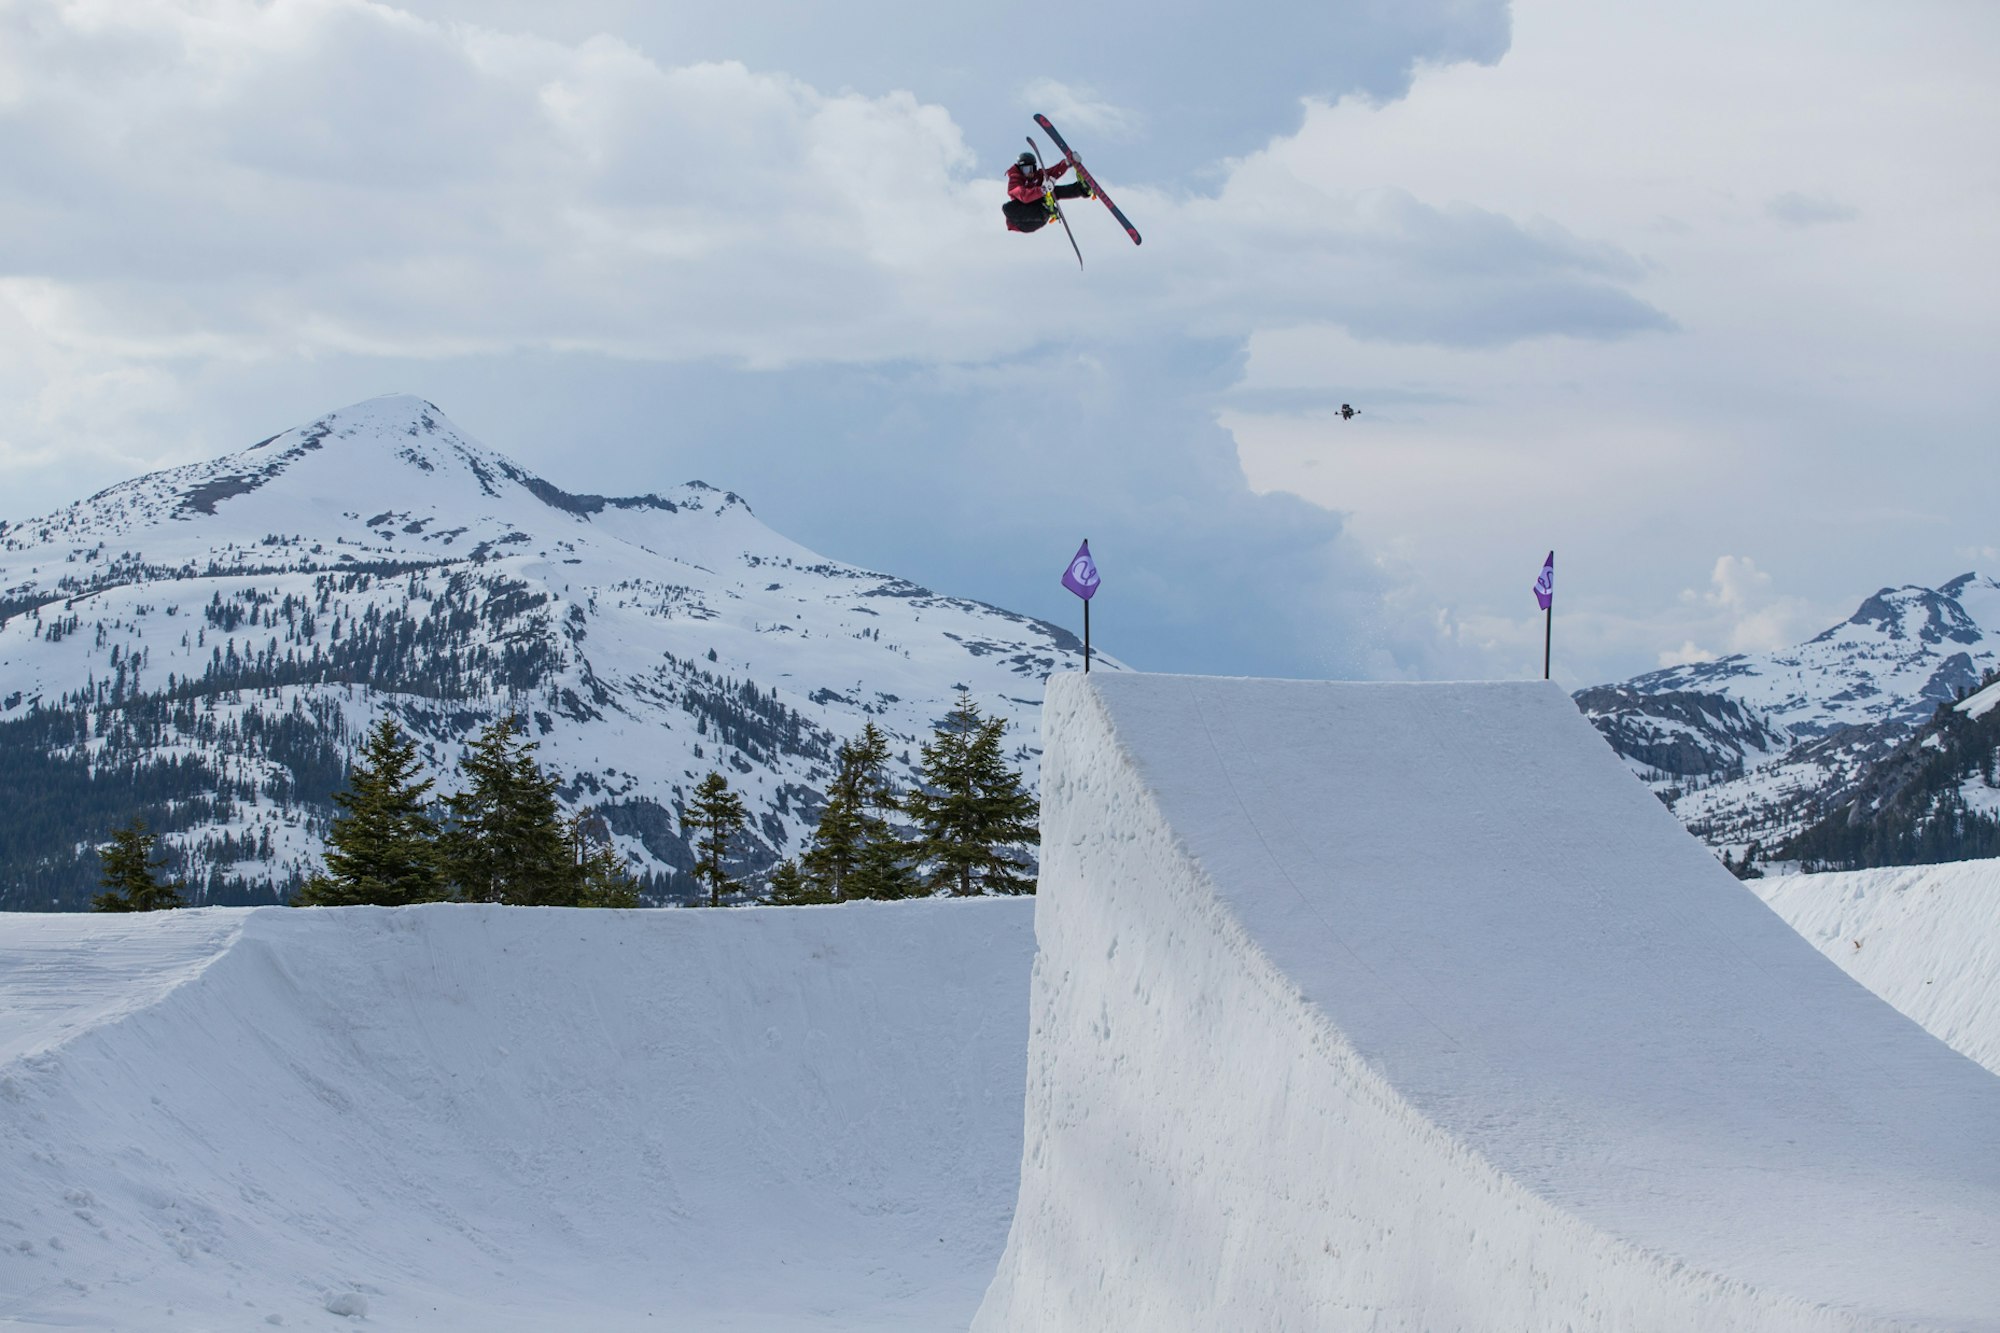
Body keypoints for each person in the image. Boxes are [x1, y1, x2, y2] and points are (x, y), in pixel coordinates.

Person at [1003, 150, 1092, 234]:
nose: (1029, 172)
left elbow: (1053, 172)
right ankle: (1045, 211)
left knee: (1053, 191)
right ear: (1020, 169)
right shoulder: (1015, 180)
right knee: (1007, 207)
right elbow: (1024, 196)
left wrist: (1067, 162)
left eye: (1032, 169)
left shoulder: (1037, 176)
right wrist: (1043, 189)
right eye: (1026, 170)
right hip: (1022, 222)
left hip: (1040, 217)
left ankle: (1082, 188)